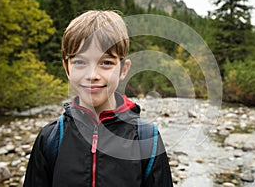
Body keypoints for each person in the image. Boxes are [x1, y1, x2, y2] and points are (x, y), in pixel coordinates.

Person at [23, 10, 173, 187]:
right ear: (67, 68)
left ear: (124, 69)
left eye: (106, 63)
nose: (92, 75)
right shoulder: (50, 139)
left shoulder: (147, 139)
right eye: (80, 62)